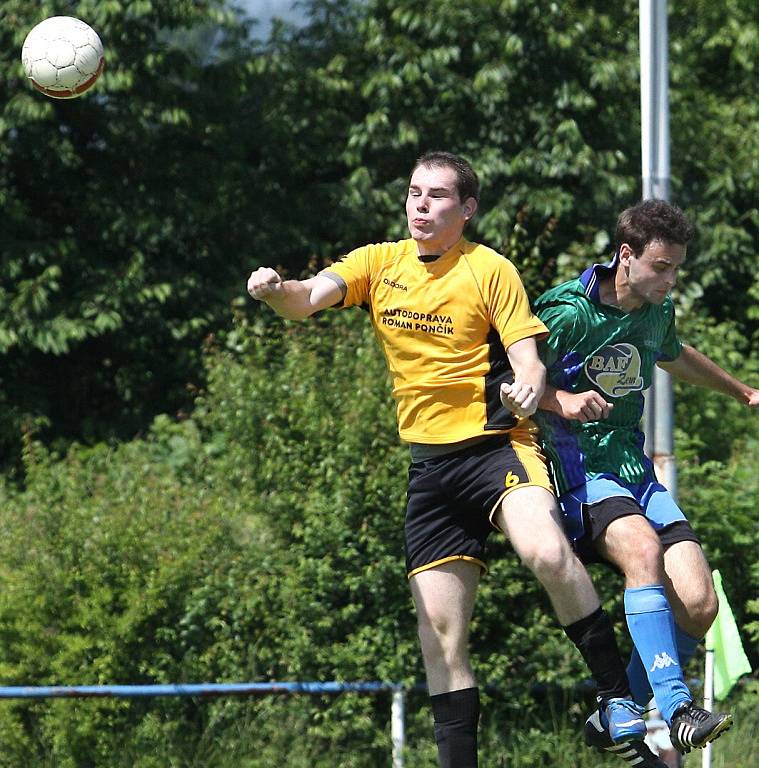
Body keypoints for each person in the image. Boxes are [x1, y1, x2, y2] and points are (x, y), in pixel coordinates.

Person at [247, 151, 649, 768]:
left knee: (544, 549)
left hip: (497, 448)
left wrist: (525, 384)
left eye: (436, 196)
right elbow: (304, 301)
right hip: (431, 471)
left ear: (467, 210)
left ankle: (617, 697)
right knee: (440, 639)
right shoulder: (377, 263)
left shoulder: (489, 269)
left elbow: (529, 360)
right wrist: (275, 291)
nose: (420, 206)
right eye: (413, 193)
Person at [534, 199, 750, 762]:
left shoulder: (657, 311)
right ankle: (676, 709)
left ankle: (619, 708)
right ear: (625, 256)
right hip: (578, 466)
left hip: (636, 469)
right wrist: (565, 399)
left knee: (699, 605)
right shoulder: (567, 311)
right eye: (662, 266)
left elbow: (673, 355)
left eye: (678, 267)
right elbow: (514, 380)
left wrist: (744, 392)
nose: (671, 278)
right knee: (642, 548)